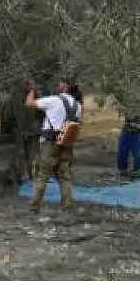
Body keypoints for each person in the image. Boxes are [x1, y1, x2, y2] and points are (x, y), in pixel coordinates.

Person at [26, 78, 81, 212]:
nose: (57, 86)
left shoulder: (53, 100)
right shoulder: (77, 105)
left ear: (66, 87)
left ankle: (34, 206)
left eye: (59, 84)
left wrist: (32, 90)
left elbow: (29, 103)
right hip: (66, 143)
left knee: (42, 175)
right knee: (65, 176)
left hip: (49, 143)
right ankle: (66, 206)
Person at [117, 112, 140, 177]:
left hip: (137, 135)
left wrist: (139, 126)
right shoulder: (126, 108)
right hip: (126, 133)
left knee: (138, 155)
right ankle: (122, 172)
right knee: (122, 155)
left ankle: (138, 172)